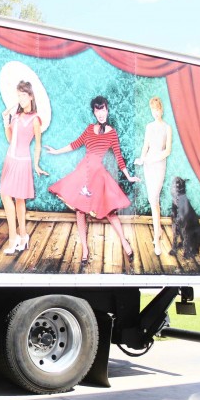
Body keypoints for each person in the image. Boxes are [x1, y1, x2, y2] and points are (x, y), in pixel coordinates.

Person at [45, 96, 140, 271]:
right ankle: (85, 250)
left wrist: (128, 176)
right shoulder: (89, 129)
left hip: (98, 174)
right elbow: (75, 144)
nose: (101, 113)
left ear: (107, 110)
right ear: (94, 113)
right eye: (97, 110)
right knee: (80, 211)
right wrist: (57, 151)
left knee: (109, 211)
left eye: (103, 109)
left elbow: (119, 157)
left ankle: (125, 242)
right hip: (84, 172)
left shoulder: (112, 132)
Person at [0, 80, 47, 254]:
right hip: (10, 160)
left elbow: (38, 144)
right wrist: (6, 120)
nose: (21, 98)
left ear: (31, 96)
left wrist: (36, 164)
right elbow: (10, 139)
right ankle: (23, 235)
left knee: (15, 198)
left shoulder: (35, 119)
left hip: (22, 161)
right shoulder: (16, 116)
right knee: (13, 198)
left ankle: (14, 238)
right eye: (19, 95)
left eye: (24, 95)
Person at [134, 96, 172, 256]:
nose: (155, 112)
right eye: (153, 110)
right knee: (152, 200)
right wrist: (142, 159)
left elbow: (167, 151)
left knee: (154, 198)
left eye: (157, 109)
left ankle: (157, 239)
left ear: (161, 109)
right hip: (148, 165)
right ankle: (158, 232)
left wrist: (153, 159)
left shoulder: (167, 128)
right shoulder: (149, 127)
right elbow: (146, 146)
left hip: (159, 164)